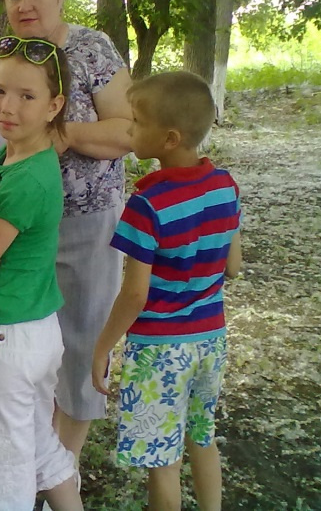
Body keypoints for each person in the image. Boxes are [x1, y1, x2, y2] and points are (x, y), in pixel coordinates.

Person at [0, 0, 133, 459]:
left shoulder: (93, 49)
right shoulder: (1, 55)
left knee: (82, 340)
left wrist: (64, 134)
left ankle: (63, 466)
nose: (25, 5)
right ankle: (28, 451)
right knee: (20, 341)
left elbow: (130, 131)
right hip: (12, 227)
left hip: (86, 223)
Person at [91, 72, 241, 511]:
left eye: (138, 122)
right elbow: (233, 266)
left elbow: (135, 295)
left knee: (163, 463)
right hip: (211, 339)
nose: (130, 129)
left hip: (159, 350)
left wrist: (103, 347)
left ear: (169, 138)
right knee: (202, 437)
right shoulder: (225, 186)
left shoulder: (146, 206)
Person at [0, 37, 82, 511]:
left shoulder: (25, 182)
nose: (7, 106)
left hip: (6, 339)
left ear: (54, 106)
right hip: (38, 329)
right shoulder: (12, 156)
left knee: (1, 466)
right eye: (0, 90)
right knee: (37, 441)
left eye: (27, 96)